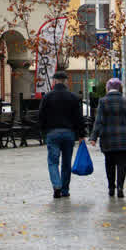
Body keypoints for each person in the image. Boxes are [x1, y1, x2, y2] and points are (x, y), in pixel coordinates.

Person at [37, 70, 86, 198]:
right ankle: (65, 190)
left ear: (54, 81)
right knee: (66, 162)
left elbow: (41, 116)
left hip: (52, 133)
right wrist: (81, 134)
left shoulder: (47, 97)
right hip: (68, 133)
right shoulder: (73, 97)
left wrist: (43, 131)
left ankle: (56, 185)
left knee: (53, 162)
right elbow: (79, 118)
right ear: (65, 81)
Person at [90, 77, 126, 198]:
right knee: (122, 164)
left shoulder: (103, 101)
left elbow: (99, 121)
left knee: (109, 163)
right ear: (119, 88)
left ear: (108, 88)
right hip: (124, 139)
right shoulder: (125, 102)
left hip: (108, 138)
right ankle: (120, 187)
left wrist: (94, 137)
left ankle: (111, 187)